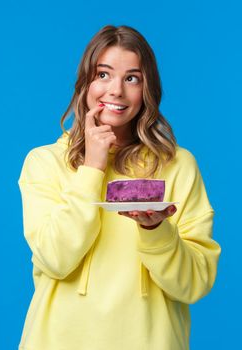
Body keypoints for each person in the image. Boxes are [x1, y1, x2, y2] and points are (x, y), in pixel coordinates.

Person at [17, 24, 221, 350]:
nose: (116, 91)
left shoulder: (178, 165)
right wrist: (92, 168)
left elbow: (194, 284)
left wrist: (157, 231)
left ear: (147, 89)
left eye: (132, 78)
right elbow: (55, 258)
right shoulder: (44, 162)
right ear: (85, 83)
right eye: (103, 74)